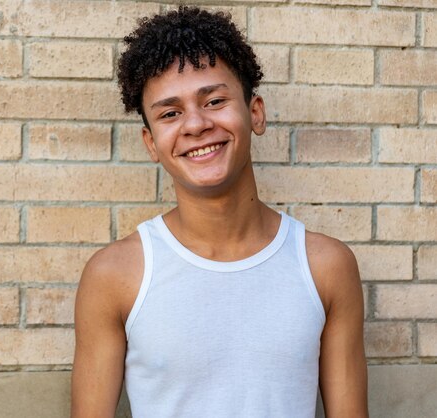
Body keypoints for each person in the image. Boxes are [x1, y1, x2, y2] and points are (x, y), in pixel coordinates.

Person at [72, 6, 368, 418]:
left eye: (213, 100)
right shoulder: (115, 275)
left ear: (256, 113)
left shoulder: (325, 267)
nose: (195, 124)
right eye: (170, 113)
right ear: (151, 143)